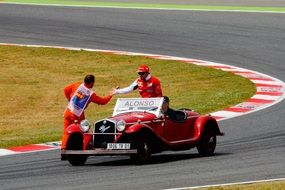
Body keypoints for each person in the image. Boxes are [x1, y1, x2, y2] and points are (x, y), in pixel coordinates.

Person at [61, 74, 114, 160]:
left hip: (68, 111)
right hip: (77, 114)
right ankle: (84, 149)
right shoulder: (90, 94)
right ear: (92, 83)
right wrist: (110, 95)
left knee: (66, 131)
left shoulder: (77, 85)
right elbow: (102, 101)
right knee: (85, 131)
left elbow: (65, 90)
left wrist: (69, 99)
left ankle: (63, 151)